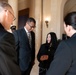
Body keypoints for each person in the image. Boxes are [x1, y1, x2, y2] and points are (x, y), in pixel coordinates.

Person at [0, 1, 21, 75]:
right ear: (7, 12)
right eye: (13, 18)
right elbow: (10, 70)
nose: (12, 22)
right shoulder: (6, 36)